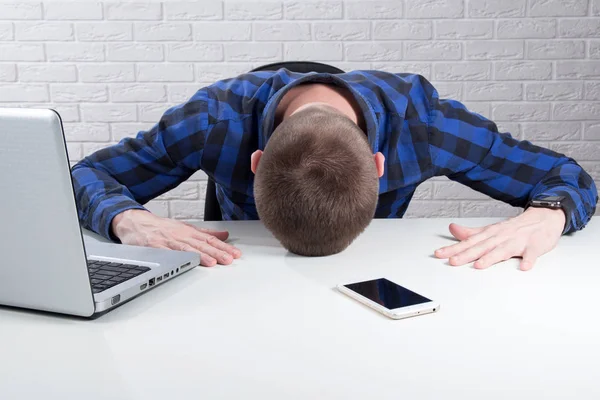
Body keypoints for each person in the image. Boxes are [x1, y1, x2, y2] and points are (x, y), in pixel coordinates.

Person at [72, 67, 598, 270]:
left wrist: (549, 214)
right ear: (254, 164)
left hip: (364, 280)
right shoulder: (214, 120)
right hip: (242, 277)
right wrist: (126, 218)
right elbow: (81, 175)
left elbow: (568, 177)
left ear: (379, 162)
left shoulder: (423, 123)